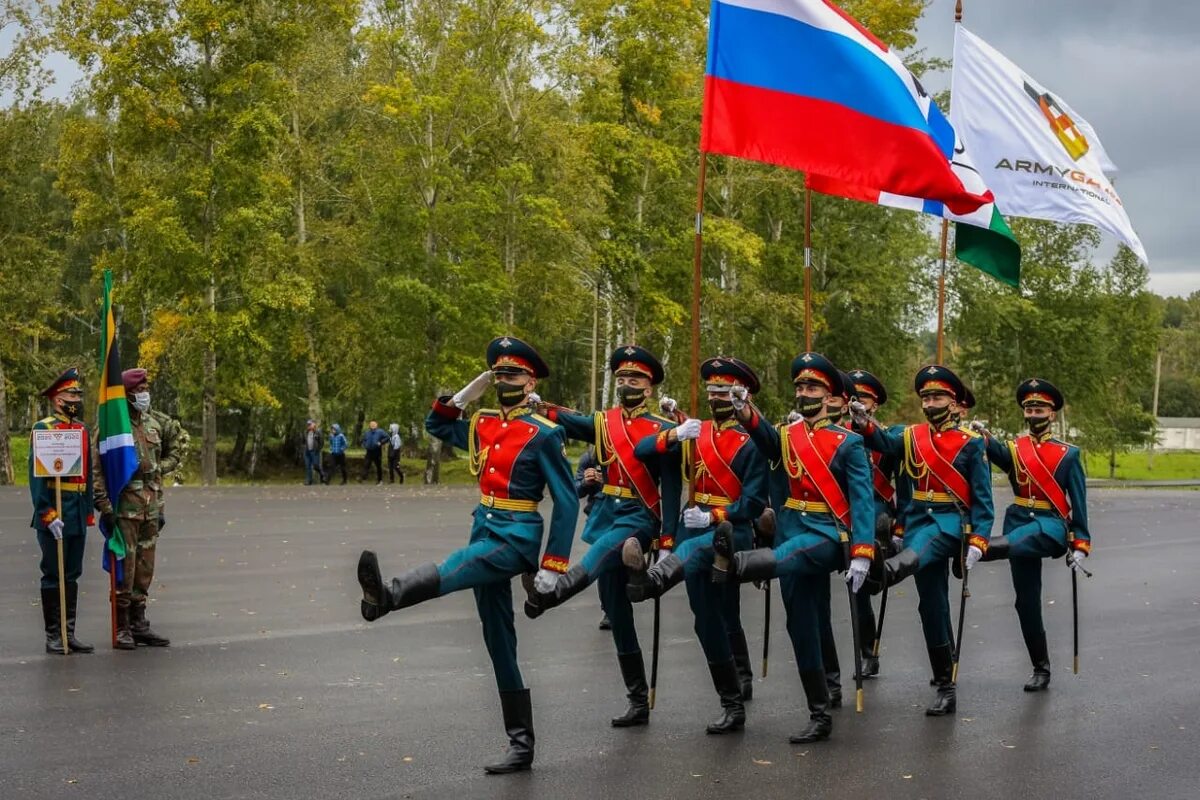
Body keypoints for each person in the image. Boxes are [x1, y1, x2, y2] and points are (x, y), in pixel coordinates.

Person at [356, 336, 578, 774]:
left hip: (515, 537)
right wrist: (457, 399)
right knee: (499, 641)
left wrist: (553, 564)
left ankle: (387, 595)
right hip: (485, 524)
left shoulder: (545, 433)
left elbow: (567, 502)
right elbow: (437, 427)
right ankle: (521, 744)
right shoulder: (484, 422)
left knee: (460, 566)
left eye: (511, 374)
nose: (502, 381)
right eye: (497, 375)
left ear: (530, 380)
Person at [711, 353, 875, 744]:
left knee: (791, 555)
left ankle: (734, 563)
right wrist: (744, 410)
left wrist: (864, 550)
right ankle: (820, 709)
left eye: (813, 387)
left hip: (826, 535)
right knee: (801, 623)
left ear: (830, 395)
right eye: (800, 386)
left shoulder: (849, 443)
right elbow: (766, 439)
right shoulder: (788, 435)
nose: (804, 393)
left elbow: (863, 500)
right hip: (790, 529)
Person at [523, 345, 681, 728]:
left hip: (640, 518)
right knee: (618, 612)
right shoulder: (604, 421)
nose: (628, 384)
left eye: (636, 379)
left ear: (649, 388)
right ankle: (638, 700)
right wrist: (543, 407)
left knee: (602, 555)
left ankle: (553, 593)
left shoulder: (662, 429)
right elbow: (573, 421)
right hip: (608, 513)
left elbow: (673, 489)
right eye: (623, 379)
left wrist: (666, 542)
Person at [623, 356, 768, 734]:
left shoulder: (752, 440)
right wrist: (674, 433)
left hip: (729, 534)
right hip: (692, 526)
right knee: (705, 621)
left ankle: (652, 580)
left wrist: (716, 515)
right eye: (712, 391)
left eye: (723, 391)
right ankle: (733, 692)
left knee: (724, 613)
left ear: (740, 394)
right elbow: (640, 452)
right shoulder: (696, 431)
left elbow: (753, 504)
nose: (715, 397)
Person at [849, 365, 994, 716]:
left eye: (938, 396)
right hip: (918, 520)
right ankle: (946, 682)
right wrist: (862, 421)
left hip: (949, 525)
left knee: (920, 550)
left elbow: (983, 499)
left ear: (954, 401)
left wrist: (979, 540)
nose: (931, 402)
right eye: (926, 397)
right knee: (931, 605)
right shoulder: (913, 437)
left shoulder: (972, 445)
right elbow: (881, 442)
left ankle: (885, 572)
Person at [974, 378, 1090, 692]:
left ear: (1052, 414)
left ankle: (979, 549)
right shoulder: (1015, 449)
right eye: (1029, 408)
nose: (1034, 413)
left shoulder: (1069, 454)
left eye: (1039, 408)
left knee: (1021, 538)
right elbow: (996, 454)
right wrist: (982, 437)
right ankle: (1041, 667)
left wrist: (1081, 543)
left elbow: (1077, 501)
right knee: (1025, 602)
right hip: (1017, 519)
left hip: (1051, 524)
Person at [93, 368, 171, 649]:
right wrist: (104, 505)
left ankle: (139, 623)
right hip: (124, 507)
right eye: (140, 390)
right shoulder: (113, 427)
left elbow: (156, 472)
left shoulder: (152, 424)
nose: (145, 394)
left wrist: (159, 506)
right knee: (124, 566)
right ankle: (122, 626)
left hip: (150, 506)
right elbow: (97, 470)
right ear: (126, 394)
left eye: (146, 389)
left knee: (145, 567)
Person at [29, 367, 94, 654]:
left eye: (78, 394)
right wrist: (47, 513)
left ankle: (69, 633)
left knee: (72, 573)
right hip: (55, 509)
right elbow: (37, 477)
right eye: (71, 394)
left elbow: (88, 475)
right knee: (53, 572)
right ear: (57, 399)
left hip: (77, 509)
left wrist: (88, 510)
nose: (76, 398)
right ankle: (53, 635)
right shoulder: (44, 429)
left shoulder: (81, 429)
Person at [575, 446, 610, 630]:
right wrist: (585, 483)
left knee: (620, 564)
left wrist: (607, 481)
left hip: (622, 513)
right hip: (598, 518)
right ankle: (608, 609)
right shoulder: (589, 457)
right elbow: (575, 489)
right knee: (603, 564)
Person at [303, 419, 326, 486]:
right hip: (307, 452)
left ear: (314, 425)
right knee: (308, 466)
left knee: (316, 465)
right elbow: (303, 441)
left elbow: (321, 442)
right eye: (308, 425)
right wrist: (304, 448)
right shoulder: (305, 432)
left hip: (314, 451)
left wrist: (318, 449)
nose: (309, 426)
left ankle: (323, 475)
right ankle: (309, 480)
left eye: (310, 424)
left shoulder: (318, 432)